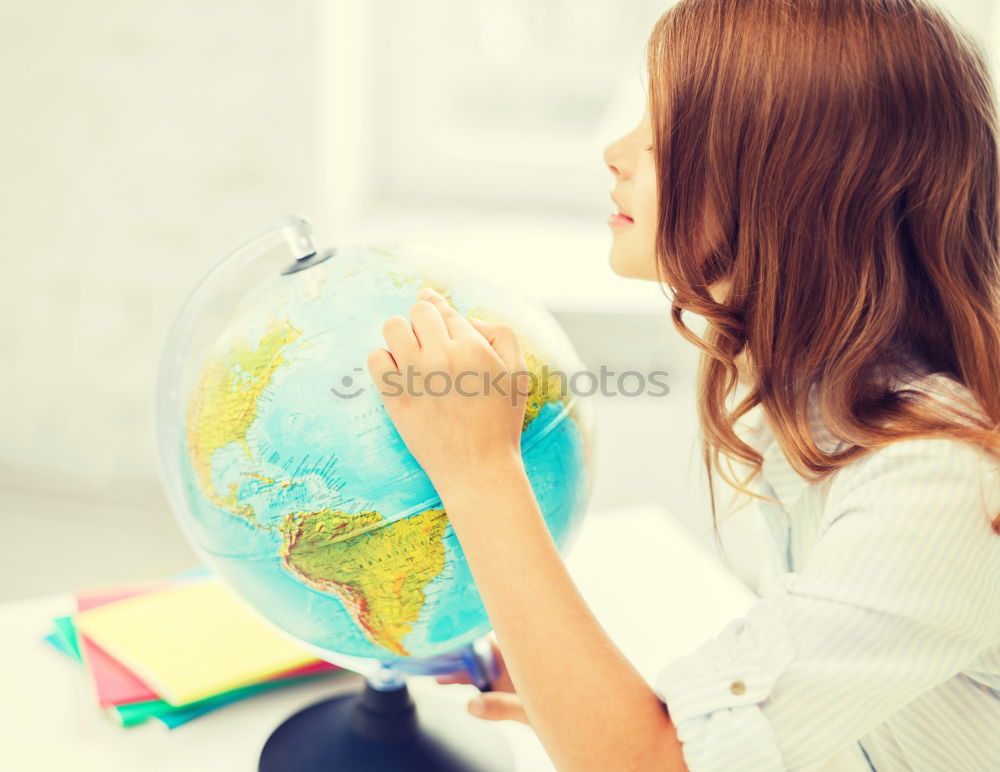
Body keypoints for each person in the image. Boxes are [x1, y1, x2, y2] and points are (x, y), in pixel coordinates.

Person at [366, 0, 1000, 769]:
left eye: (662, 137)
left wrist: (476, 467)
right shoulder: (816, 399)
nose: (615, 151)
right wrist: (584, 705)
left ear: (783, 190)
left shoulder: (934, 478)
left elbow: (651, 765)